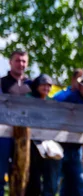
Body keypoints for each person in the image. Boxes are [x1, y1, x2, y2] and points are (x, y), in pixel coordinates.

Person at [54, 71, 83, 196]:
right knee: (55, 183)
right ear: (81, 87)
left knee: (77, 184)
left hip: (76, 148)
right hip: (61, 146)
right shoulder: (70, 99)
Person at [0, 49, 32, 196]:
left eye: (24, 61)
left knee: (23, 175)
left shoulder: (31, 85)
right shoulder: (2, 83)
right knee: (0, 174)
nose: (21, 64)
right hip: (4, 136)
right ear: (10, 62)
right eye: (18, 60)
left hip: (26, 136)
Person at [25, 74, 60, 196]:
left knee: (50, 180)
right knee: (33, 179)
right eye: (43, 84)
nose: (46, 88)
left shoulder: (51, 102)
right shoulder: (28, 98)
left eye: (49, 85)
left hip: (47, 144)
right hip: (31, 145)